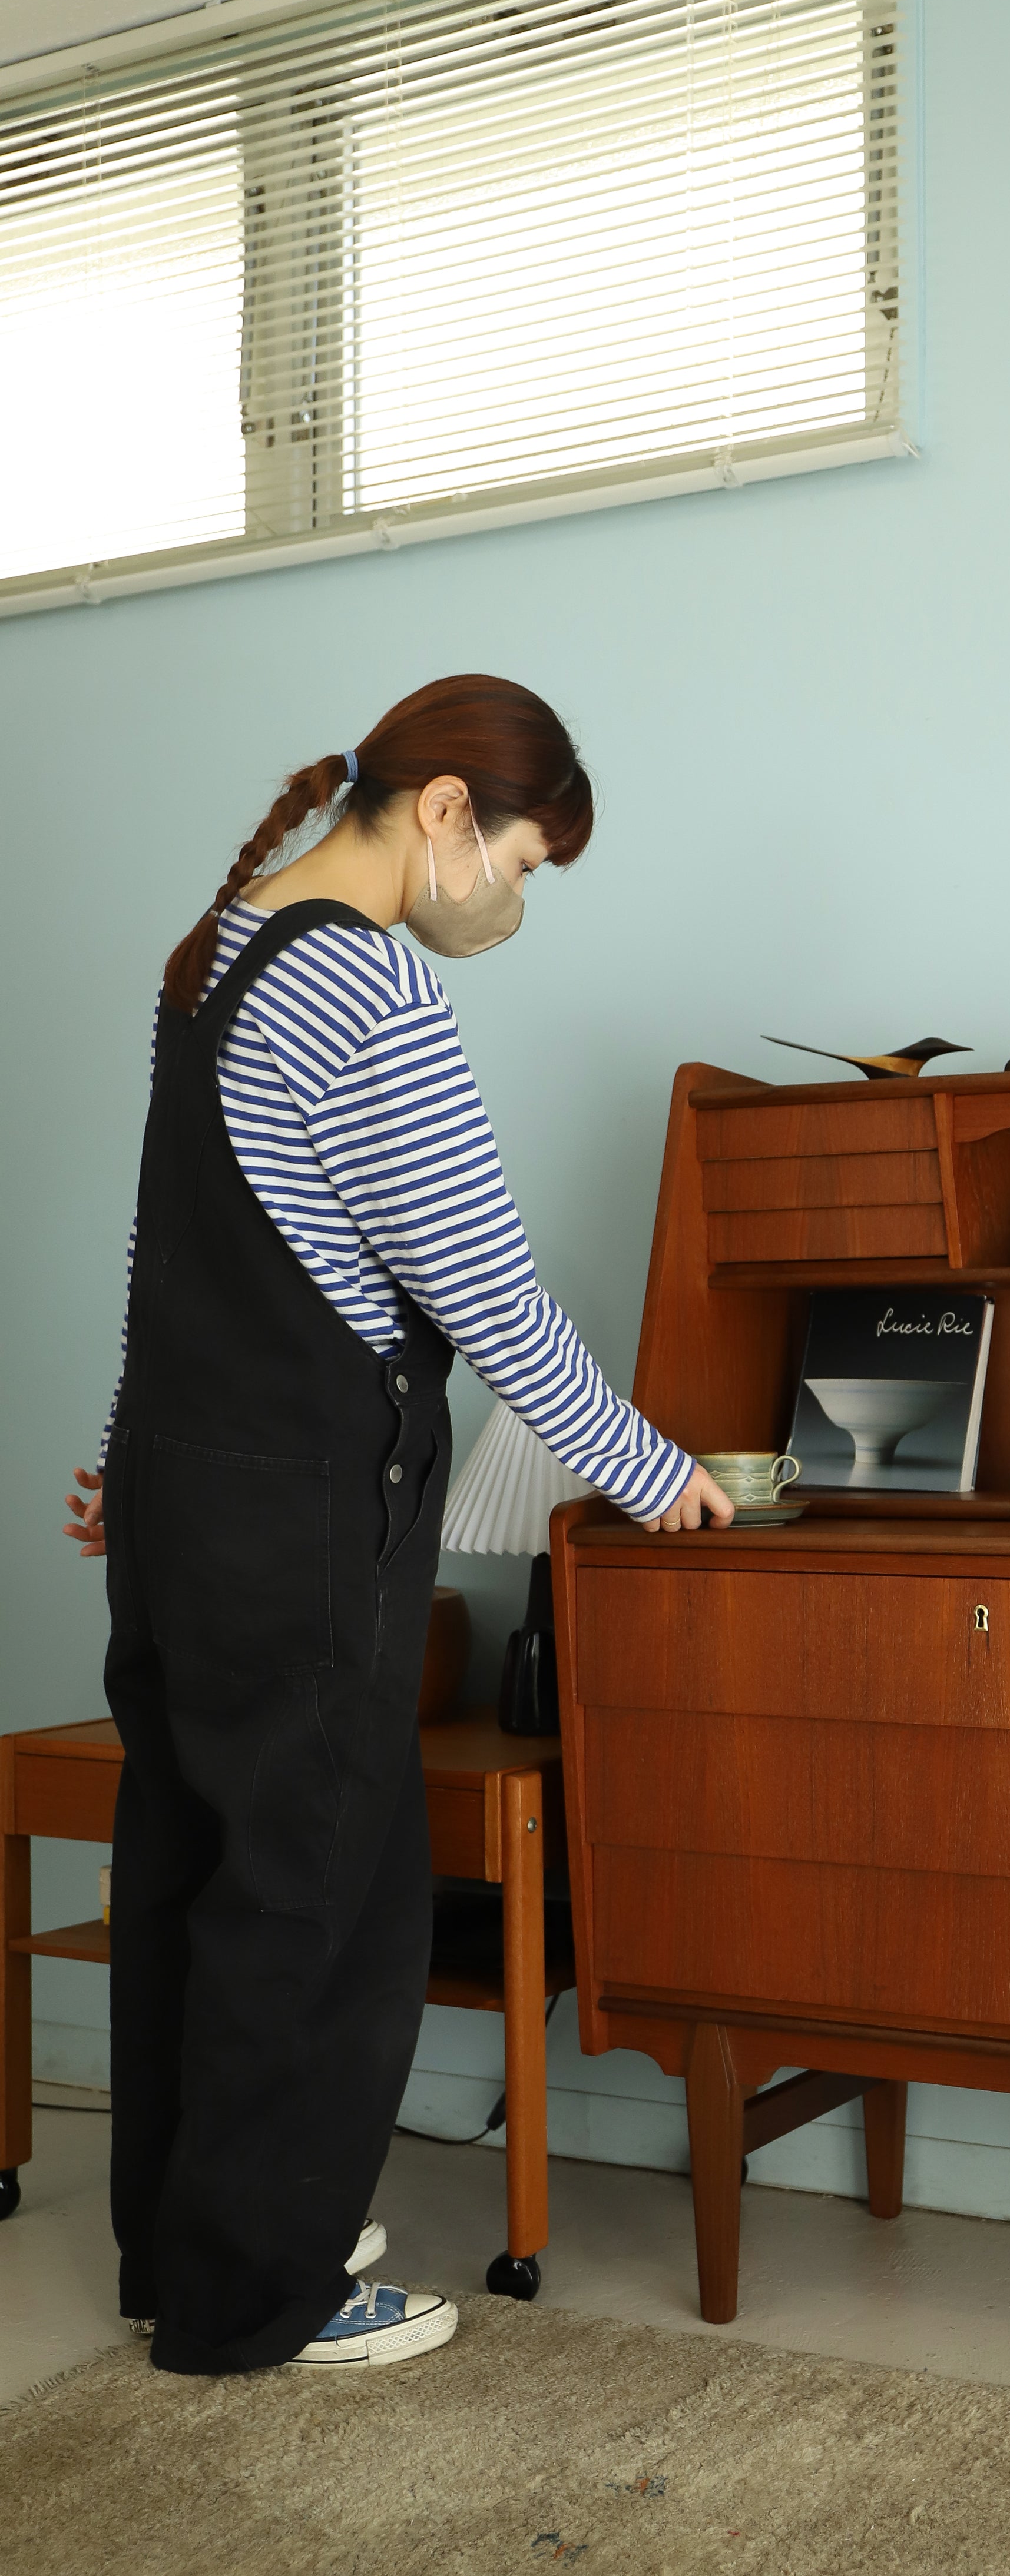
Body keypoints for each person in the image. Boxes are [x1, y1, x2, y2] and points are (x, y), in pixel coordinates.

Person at [61, 675, 734, 2375]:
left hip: (184, 1493)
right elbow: (489, 1297)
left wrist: (126, 1460)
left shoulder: (217, 949)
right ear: (442, 814)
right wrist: (654, 1472)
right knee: (324, 1888)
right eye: (521, 857)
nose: (515, 897)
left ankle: (187, 2248)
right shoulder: (369, 979)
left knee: (193, 1865)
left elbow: (180, 1258)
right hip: (300, 1508)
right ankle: (258, 2298)